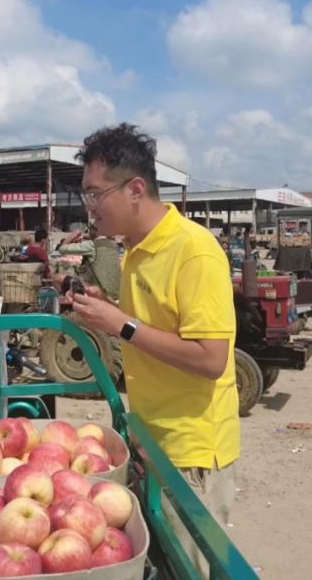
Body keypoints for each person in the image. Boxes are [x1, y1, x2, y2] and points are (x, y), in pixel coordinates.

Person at [67, 123, 239, 576]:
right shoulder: (135, 250)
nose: (90, 207)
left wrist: (121, 325)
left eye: (95, 193)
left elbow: (211, 359)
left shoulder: (194, 251)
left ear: (136, 189)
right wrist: (111, 311)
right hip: (153, 438)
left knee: (194, 568)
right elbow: (154, 327)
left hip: (191, 450)